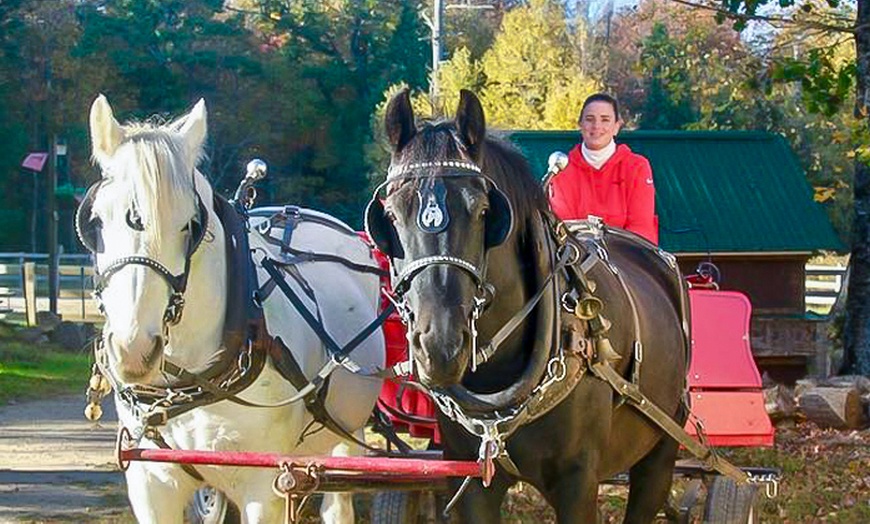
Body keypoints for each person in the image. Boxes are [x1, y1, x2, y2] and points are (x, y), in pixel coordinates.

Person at [548, 93, 659, 245]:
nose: (596, 126)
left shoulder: (637, 167)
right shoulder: (561, 169)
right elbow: (563, 229)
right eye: (589, 119)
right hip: (577, 260)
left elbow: (641, 227)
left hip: (628, 259)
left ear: (616, 127)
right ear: (580, 125)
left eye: (605, 119)